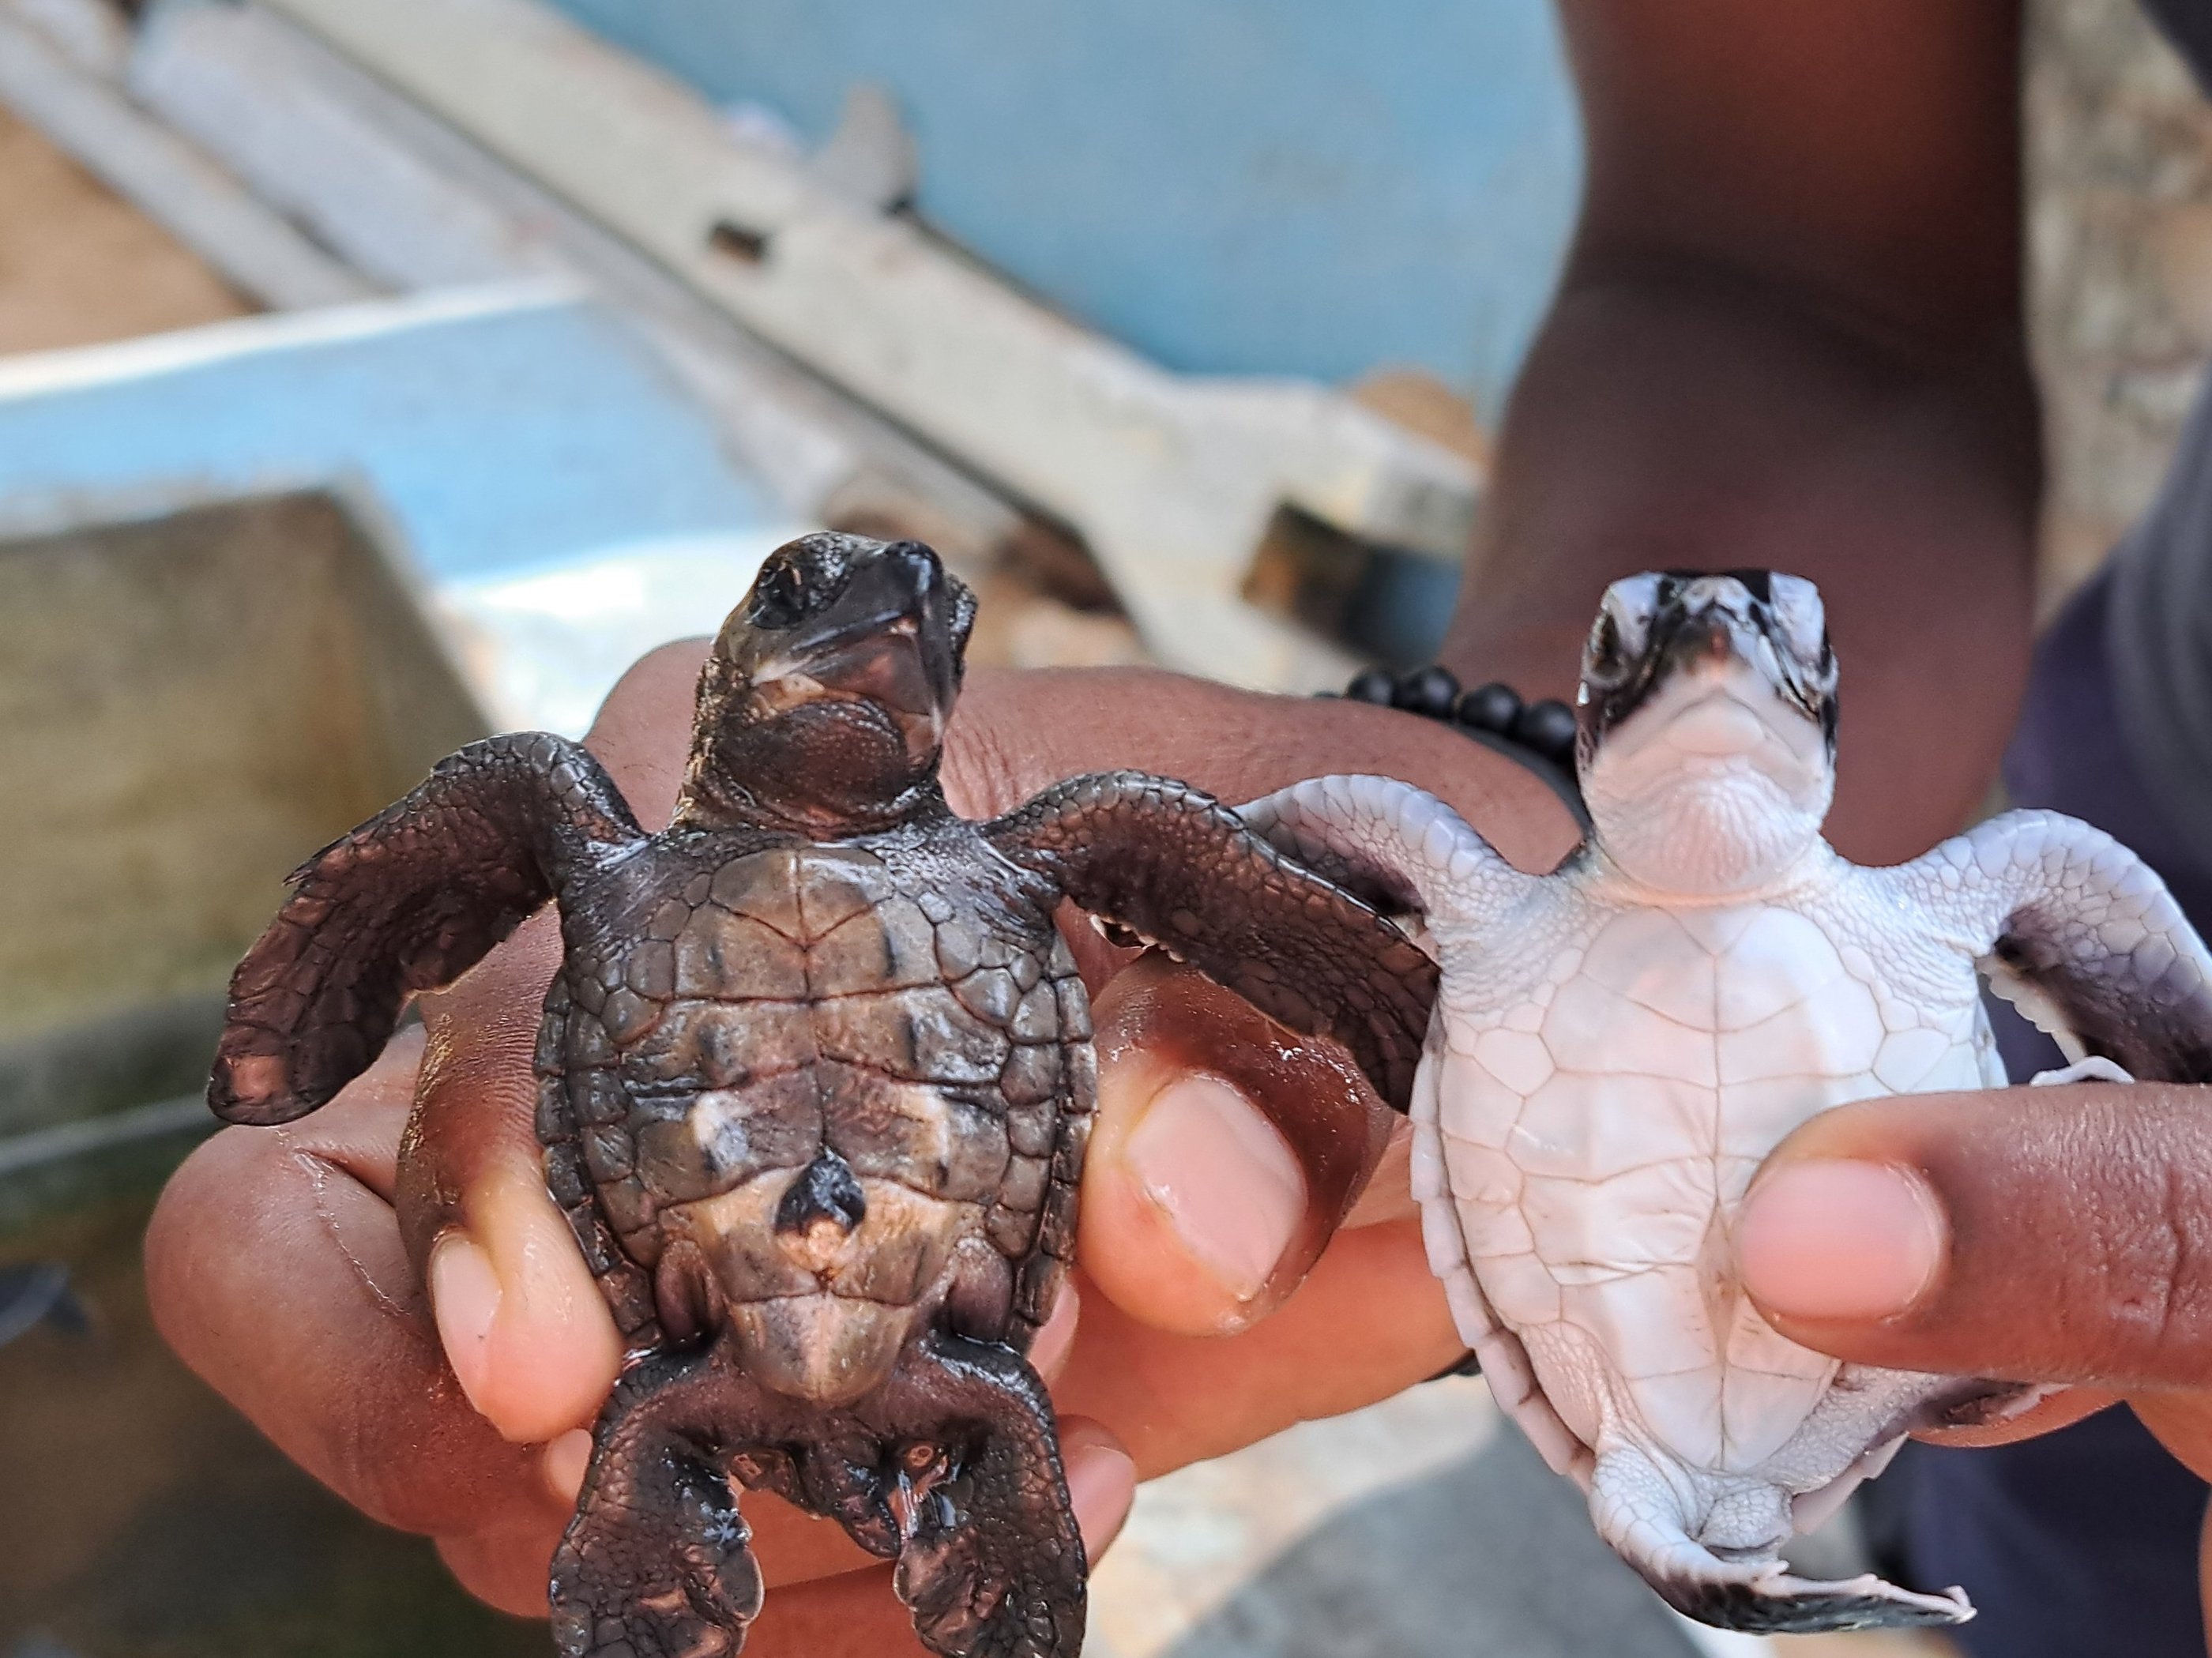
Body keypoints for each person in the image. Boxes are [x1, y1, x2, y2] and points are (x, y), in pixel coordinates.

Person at [145, 3, 2212, 1652]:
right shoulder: (612, 824)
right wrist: (1504, 816)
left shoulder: (1070, 842)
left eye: (916, 627)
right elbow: (1787, 272)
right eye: (822, 615)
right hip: (2048, 1328)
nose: (877, 641)